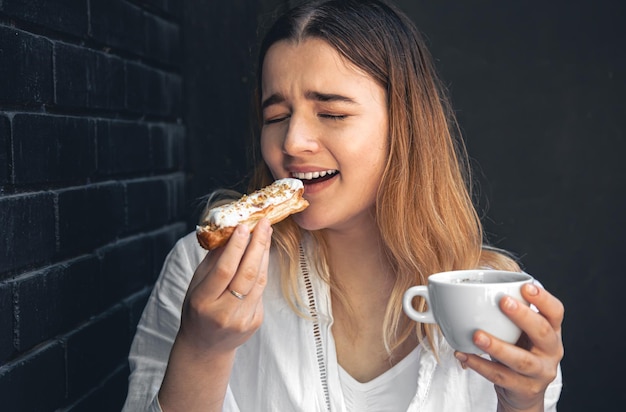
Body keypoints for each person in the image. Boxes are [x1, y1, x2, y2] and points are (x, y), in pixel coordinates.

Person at [122, 0, 564, 411]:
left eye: (332, 113)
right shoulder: (201, 272)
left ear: (406, 128)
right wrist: (201, 351)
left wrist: (523, 404)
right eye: (275, 117)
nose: (292, 142)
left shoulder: (496, 300)